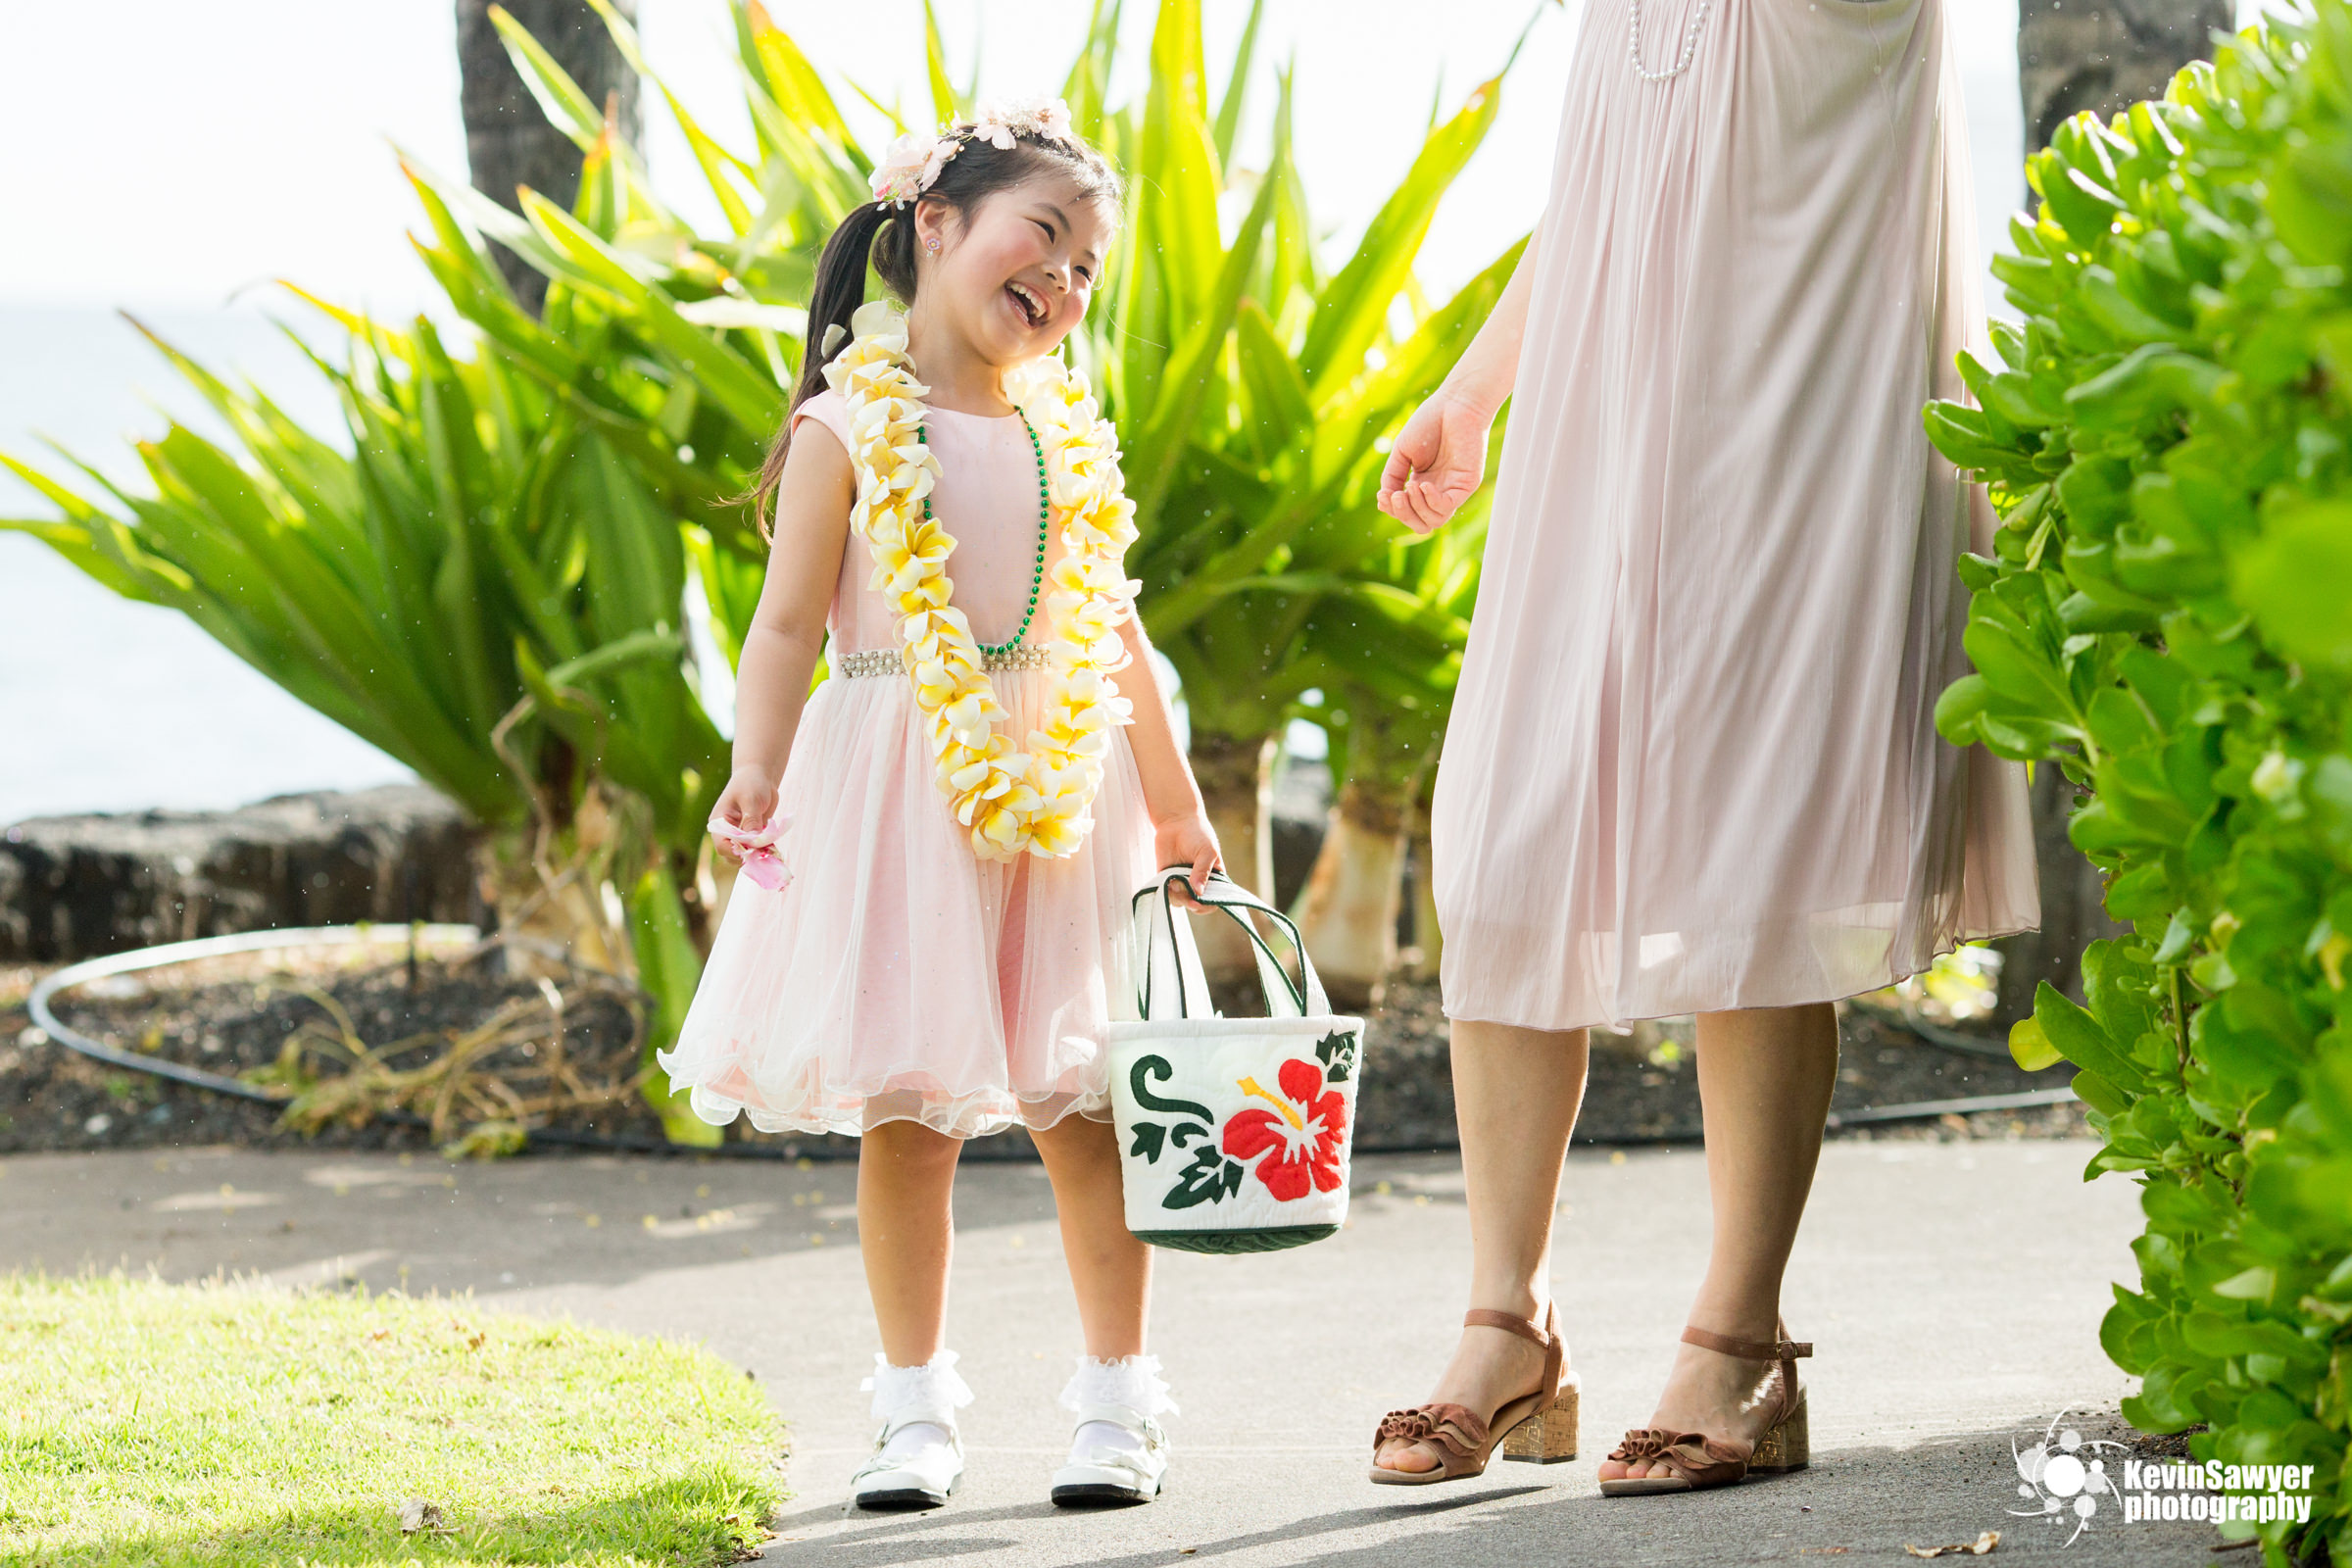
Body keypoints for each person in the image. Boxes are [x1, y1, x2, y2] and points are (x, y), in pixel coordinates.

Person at [1365, 0, 2038, 1492]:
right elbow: (1615, 181)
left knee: (1754, 855)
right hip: (1602, 451)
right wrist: (1479, 390)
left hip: (1796, 426)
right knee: (1510, 844)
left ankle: (1740, 1343)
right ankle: (1509, 1322)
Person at [657, 97, 1222, 1513]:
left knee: (1082, 1108)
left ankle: (1117, 1405)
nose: (1068, 281)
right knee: (909, 1117)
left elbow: (1119, 639)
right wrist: (758, 762)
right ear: (937, 227)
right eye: (1047, 237)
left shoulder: (1064, 437)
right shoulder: (849, 428)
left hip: (1055, 798)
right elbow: (786, 625)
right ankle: (912, 1415)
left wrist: (1175, 802)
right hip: (900, 790)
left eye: (1091, 266)